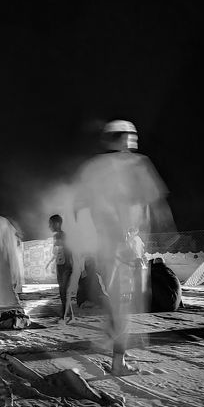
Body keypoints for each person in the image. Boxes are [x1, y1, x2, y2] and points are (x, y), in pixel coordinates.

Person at [73, 119, 173, 375]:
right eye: (131, 135)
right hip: (123, 244)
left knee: (117, 300)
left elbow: (80, 205)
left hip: (105, 245)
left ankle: (113, 335)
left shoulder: (94, 166)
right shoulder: (136, 163)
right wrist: (167, 230)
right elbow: (156, 202)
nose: (135, 139)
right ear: (124, 138)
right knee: (124, 303)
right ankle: (119, 361)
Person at [45, 215, 73, 320]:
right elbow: (57, 252)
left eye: (50, 224)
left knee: (63, 290)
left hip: (65, 265)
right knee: (62, 290)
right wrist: (50, 263)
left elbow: (65, 250)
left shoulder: (61, 236)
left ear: (56, 224)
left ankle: (65, 312)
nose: (49, 226)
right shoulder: (57, 236)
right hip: (61, 264)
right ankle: (66, 312)